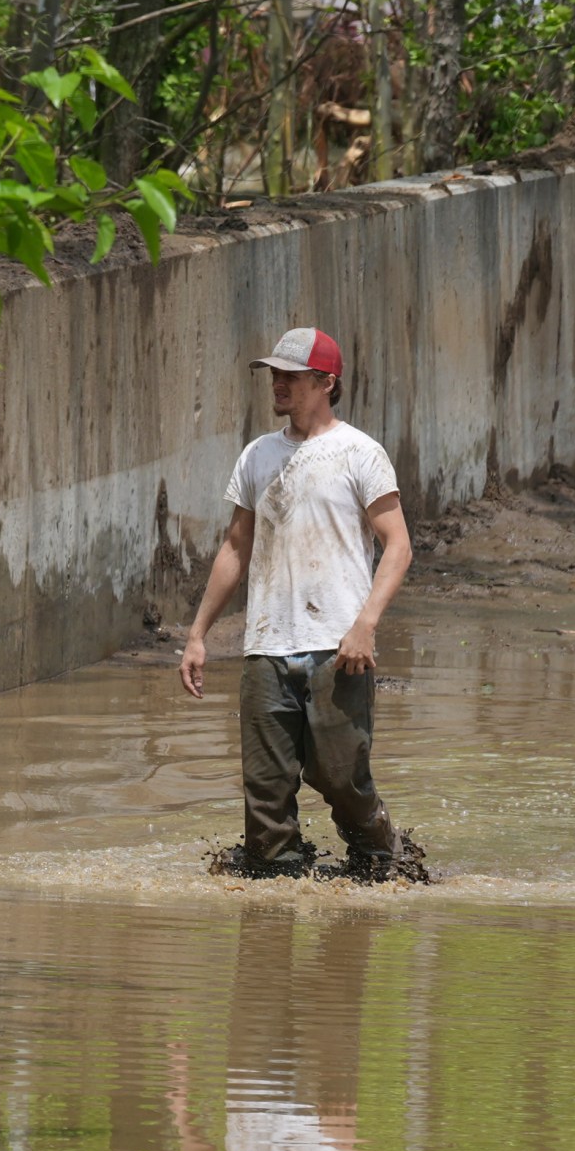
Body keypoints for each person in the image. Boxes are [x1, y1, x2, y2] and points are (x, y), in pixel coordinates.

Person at [178, 327, 412, 872]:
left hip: (338, 644)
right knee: (264, 795)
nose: (278, 385)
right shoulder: (259, 455)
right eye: (275, 375)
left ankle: (382, 854)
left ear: (326, 382)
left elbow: (398, 547)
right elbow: (236, 546)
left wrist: (365, 625)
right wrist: (196, 635)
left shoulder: (359, 453)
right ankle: (273, 897)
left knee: (338, 774)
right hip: (266, 645)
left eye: (291, 376)